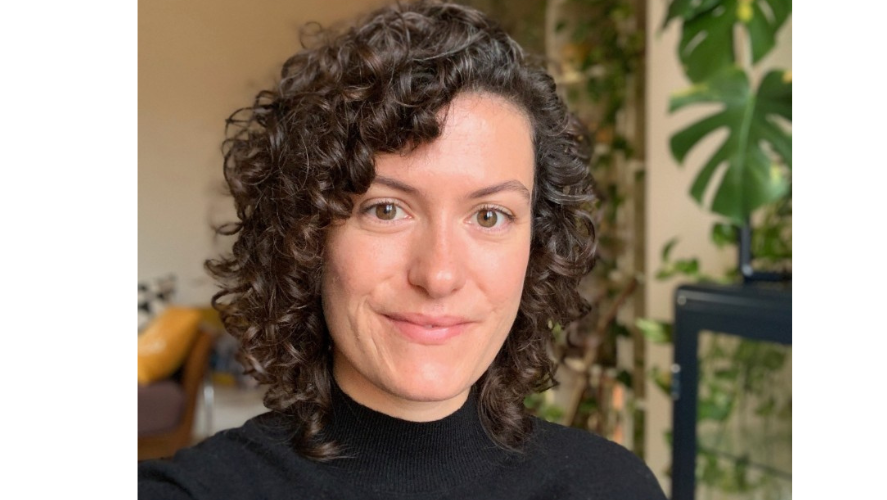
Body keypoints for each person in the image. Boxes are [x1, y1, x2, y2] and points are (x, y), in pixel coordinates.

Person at [139, 1, 666, 498]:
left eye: (489, 216)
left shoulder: (613, 487)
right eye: (385, 209)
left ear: (537, 246)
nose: (438, 275)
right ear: (305, 237)